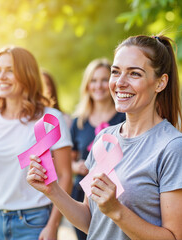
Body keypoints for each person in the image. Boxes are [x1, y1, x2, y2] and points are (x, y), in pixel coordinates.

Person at [27, 35, 182, 239]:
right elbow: (92, 222)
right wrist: (52, 190)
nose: (120, 82)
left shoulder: (174, 147)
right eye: (116, 72)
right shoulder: (105, 139)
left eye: (134, 74)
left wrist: (116, 210)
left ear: (160, 83)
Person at [0, 46, 73, 240]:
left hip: (33, 222)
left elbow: (65, 176)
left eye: (10, 70)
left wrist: (53, 226)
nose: (1, 76)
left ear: (27, 74)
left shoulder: (51, 119)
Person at [69, 58, 125, 240]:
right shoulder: (79, 121)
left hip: (115, 193)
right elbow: (68, 161)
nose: (98, 85)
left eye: (103, 79)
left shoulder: (124, 118)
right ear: (87, 85)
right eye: (93, 80)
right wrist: (76, 167)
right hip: (82, 193)